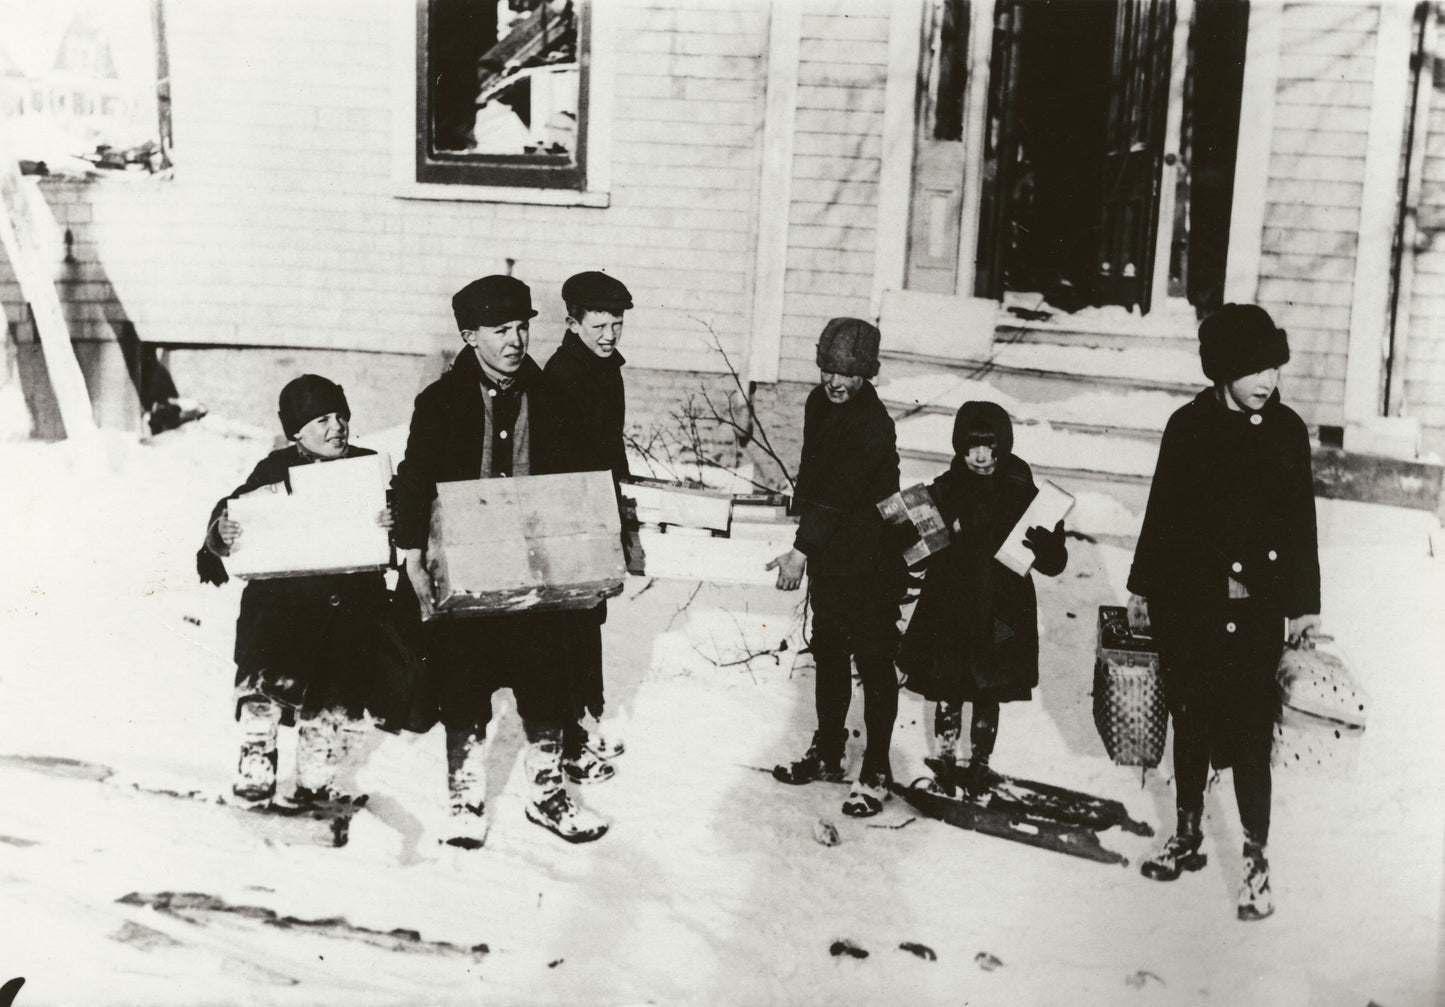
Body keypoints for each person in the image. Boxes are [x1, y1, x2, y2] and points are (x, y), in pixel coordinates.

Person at [392, 274, 607, 847]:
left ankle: (548, 792)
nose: (515, 341)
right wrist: (411, 554)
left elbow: (582, 481)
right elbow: (414, 479)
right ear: (470, 336)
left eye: (521, 328)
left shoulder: (555, 397)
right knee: (463, 683)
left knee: (546, 680)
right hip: (465, 572)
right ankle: (465, 796)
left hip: (538, 568)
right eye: (499, 330)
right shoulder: (439, 404)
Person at [1127, 303, 1321, 921]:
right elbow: (1162, 511)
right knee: (1189, 718)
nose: (1269, 380)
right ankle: (1186, 830)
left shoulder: (1286, 431)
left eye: (1274, 367)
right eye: (1254, 368)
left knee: (1250, 733)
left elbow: (1301, 521)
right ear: (1222, 369)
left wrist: (1303, 604)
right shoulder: (1187, 427)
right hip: (1191, 603)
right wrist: (1142, 588)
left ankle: (1256, 860)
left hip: (1256, 607)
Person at [198, 374, 390, 808]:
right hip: (282, 608)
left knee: (333, 696)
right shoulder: (275, 468)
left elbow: (402, 523)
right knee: (265, 689)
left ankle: (315, 773)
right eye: (322, 420)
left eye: (341, 416)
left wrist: (392, 521)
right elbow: (233, 509)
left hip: (349, 606)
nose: (337, 427)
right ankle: (256, 758)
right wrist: (223, 532)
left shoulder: (368, 467)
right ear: (296, 432)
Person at [769, 317, 905, 819]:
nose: (834, 381)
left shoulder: (873, 424)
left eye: (846, 372)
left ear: (866, 372)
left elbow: (840, 493)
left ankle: (877, 770)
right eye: (827, 368)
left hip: (871, 559)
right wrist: (795, 516)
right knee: (828, 651)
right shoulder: (817, 403)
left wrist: (800, 551)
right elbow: (814, 474)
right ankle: (828, 750)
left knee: (872, 660)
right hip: (832, 554)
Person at [897, 401, 1068, 795]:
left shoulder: (1025, 494)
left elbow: (1055, 562)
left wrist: (1047, 548)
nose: (980, 457)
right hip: (950, 605)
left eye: (989, 447)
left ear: (1002, 447)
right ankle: (944, 761)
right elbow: (914, 549)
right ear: (959, 447)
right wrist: (908, 540)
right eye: (971, 447)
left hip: (1001, 608)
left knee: (988, 690)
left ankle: (979, 764)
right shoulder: (943, 490)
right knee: (948, 687)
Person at [535, 270, 635, 785]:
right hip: (570, 522)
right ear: (572, 323)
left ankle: (583, 720)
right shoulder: (563, 376)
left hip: (598, 513)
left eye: (616, 325)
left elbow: (610, 445)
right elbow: (555, 464)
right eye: (598, 326)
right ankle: (568, 743)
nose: (609, 335)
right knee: (568, 635)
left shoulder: (605, 369)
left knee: (587, 625)